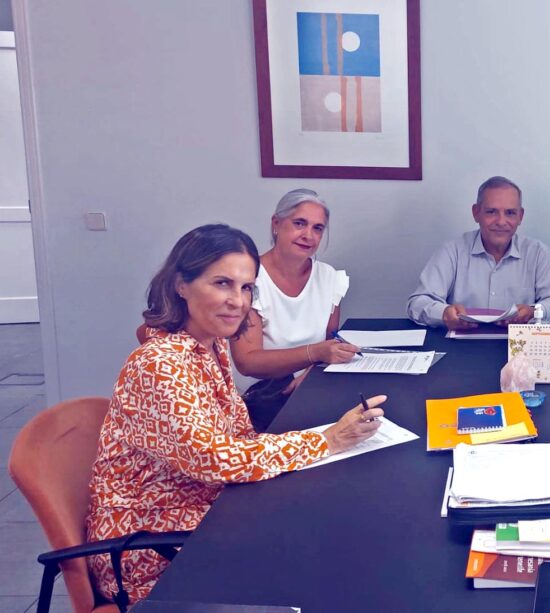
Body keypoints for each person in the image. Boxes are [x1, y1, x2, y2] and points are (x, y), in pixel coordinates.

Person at [86, 224, 386, 604]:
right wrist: (326, 440)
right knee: (327, 557)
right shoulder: (159, 364)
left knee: (330, 520)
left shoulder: (209, 346)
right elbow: (214, 459)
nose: (238, 301)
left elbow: (238, 438)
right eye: (222, 283)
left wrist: (316, 445)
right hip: (154, 550)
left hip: (207, 512)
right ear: (181, 285)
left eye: (246, 288)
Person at [230, 189, 356, 431]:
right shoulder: (249, 278)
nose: (308, 235)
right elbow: (248, 362)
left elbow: (331, 341)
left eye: (318, 228)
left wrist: (311, 373)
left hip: (314, 385)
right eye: (299, 223)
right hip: (263, 398)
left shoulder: (329, 277)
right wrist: (316, 353)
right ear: (276, 224)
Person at [406, 176, 550, 330]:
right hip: (462, 343)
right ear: (476, 213)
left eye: (510, 213)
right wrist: (443, 314)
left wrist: (534, 312)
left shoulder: (537, 252)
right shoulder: (452, 251)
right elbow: (418, 302)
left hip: (518, 345)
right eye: (491, 212)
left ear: (520, 216)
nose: (501, 222)